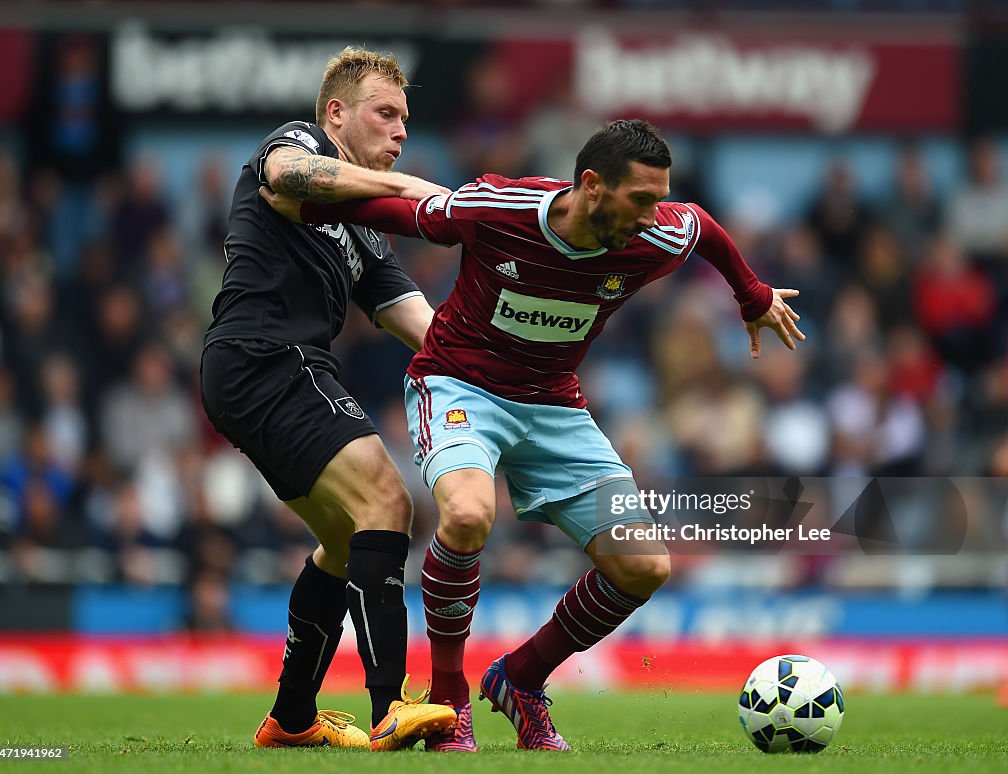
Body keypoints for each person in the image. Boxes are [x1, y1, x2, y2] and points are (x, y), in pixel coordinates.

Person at [260, 119, 804, 752]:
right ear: (592, 185)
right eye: (641, 199)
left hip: (554, 407)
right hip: (460, 386)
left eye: (660, 198)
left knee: (644, 566)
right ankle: (448, 699)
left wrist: (752, 294)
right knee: (465, 515)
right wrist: (305, 202)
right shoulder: (499, 206)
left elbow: (703, 227)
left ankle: (521, 679)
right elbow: (402, 214)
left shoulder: (658, 232)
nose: (654, 215)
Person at [199, 47, 457, 751]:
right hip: (266, 356)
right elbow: (284, 176)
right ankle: (389, 710)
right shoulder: (300, 144)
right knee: (389, 502)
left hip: (258, 370)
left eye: (406, 120)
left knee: (345, 542)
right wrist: (407, 186)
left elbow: (419, 322)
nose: (400, 131)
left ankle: (291, 717)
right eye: (386, 115)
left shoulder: (364, 227)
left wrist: (499, 370)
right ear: (338, 114)